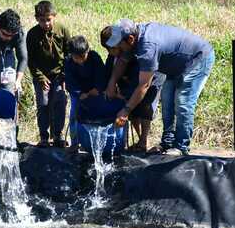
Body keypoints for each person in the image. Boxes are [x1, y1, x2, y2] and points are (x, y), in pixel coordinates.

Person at [103, 19, 214, 156]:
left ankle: (181, 146)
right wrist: (112, 82)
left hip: (197, 59)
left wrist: (126, 111)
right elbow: (123, 59)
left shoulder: (148, 47)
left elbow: (144, 85)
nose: (118, 50)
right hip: (175, 66)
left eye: (119, 46)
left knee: (182, 102)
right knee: (167, 103)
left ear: (130, 39)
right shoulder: (134, 37)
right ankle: (167, 143)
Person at [101, 27, 162, 152]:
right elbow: (108, 75)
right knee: (132, 112)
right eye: (108, 49)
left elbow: (140, 83)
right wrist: (113, 89)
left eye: (112, 48)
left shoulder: (136, 53)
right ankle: (140, 140)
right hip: (131, 84)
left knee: (145, 107)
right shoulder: (113, 57)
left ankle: (144, 140)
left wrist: (127, 95)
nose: (110, 52)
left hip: (150, 78)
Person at [27, 1, 71, 147]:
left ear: (54, 16)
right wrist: (40, 77)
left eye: (48, 19)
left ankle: (57, 136)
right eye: (41, 20)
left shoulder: (62, 30)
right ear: (36, 19)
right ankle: (44, 137)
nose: (45, 23)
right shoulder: (32, 34)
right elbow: (30, 60)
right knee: (43, 104)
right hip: (42, 75)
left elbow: (69, 54)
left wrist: (65, 74)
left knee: (60, 102)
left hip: (59, 75)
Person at [64, 35, 107, 145]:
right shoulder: (68, 62)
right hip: (78, 93)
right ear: (71, 55)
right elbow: (70, 82)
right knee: (74, 116)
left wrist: (98, 88)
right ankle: (74, 143)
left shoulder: (94, 57)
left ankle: (92, 143)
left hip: (95, 91)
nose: (81, 60)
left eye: (83, 56)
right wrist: (80, 93)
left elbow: (102, 75)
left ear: (88, 51)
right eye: (77, 57)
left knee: (96, 116)